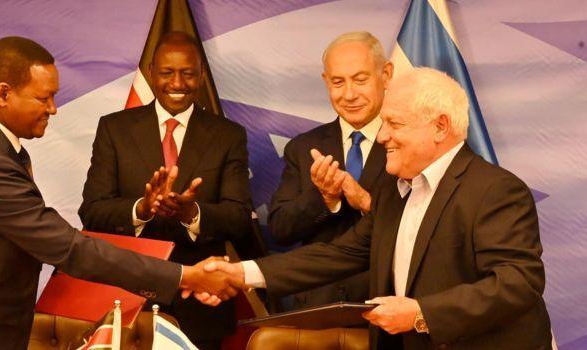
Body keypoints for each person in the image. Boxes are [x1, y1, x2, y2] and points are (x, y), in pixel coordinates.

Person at [0, 36, 238, 350]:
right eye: (44, 97)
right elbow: (68, 249)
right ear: (4, 94)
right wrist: (185, 275)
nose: (53, 108)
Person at [204, 68, 553, 349]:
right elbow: (339, 254)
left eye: (394, 123)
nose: (382, 136)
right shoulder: (393, 189)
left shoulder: (496, 190)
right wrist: (240, 274)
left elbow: (517, 282)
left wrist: (421, 313)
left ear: (440, 127)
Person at [78, 31, 252, 349]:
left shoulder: (229, 135)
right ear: (151, 73)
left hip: (201, 307)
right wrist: (141, 210)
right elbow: (92, 212)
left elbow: (239, 217)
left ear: (201, 75)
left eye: (187, 73)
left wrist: (192, 213)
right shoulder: (113, 128)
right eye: (167, 72)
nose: (177, 83)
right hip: (126, 300)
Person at [268, 31, 392, 308]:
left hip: (389, 304)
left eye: (360, 80)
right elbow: (280, 228)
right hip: (318, 306)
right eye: (338, 82)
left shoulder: (408, 142)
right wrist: (323, 199)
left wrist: (367, 202)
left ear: (386, 75)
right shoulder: (304, 147)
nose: (349, 94)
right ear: (326, 82)